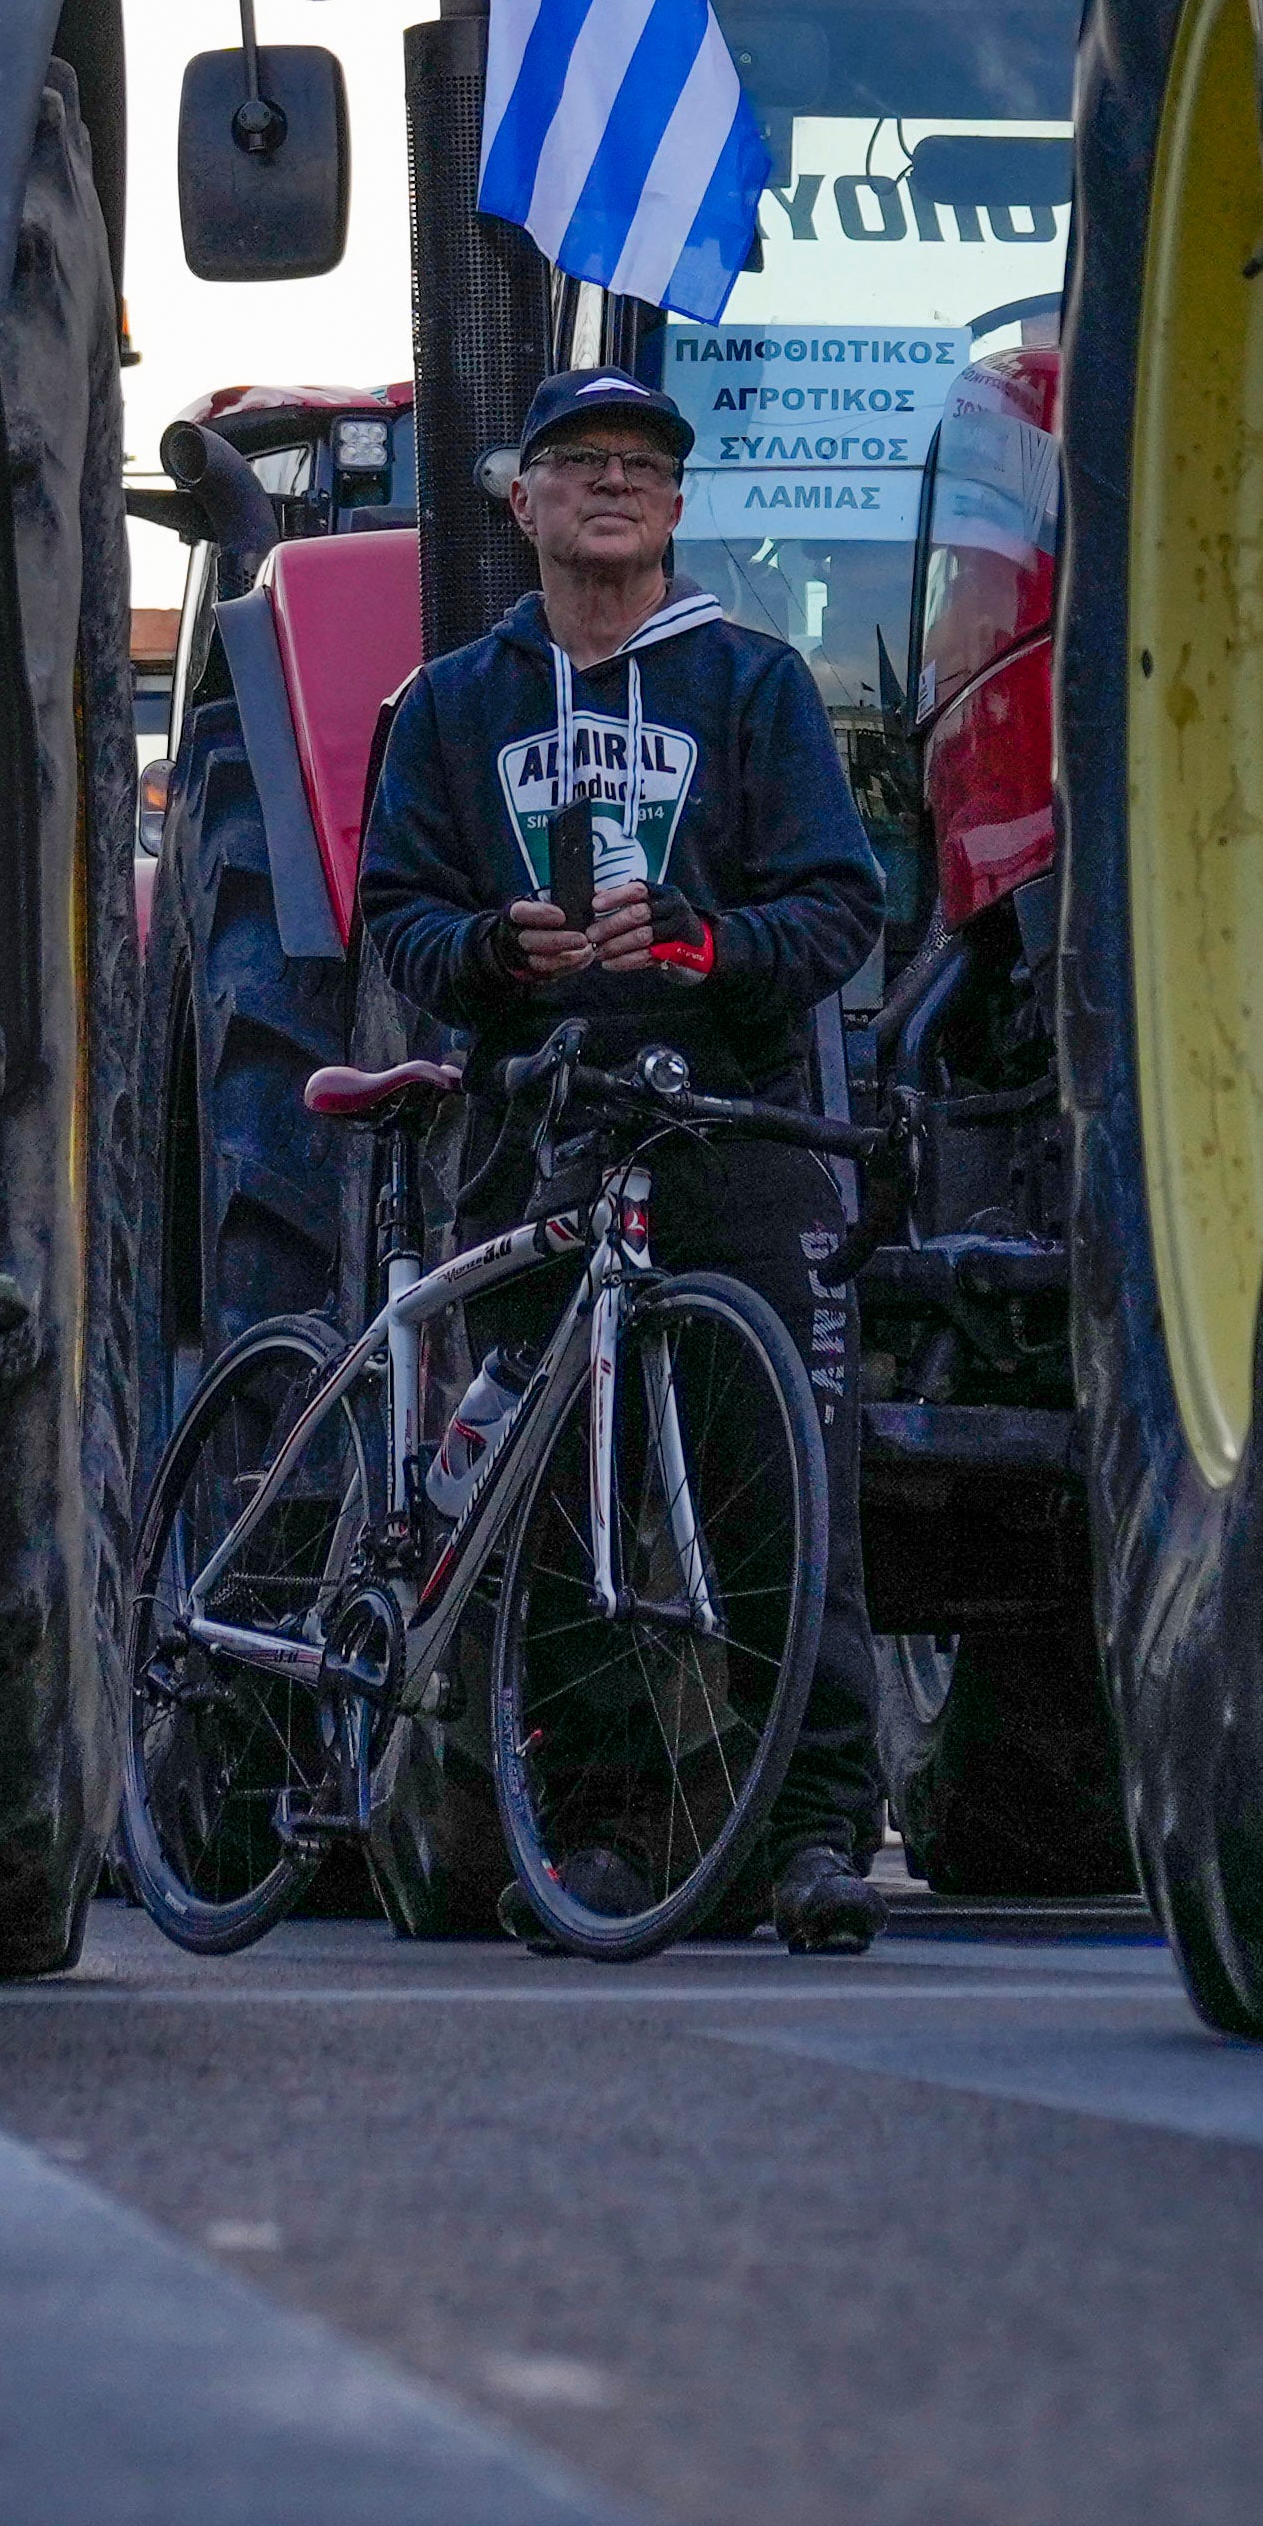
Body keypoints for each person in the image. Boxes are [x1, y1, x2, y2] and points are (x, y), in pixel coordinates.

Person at [346, 363, 898, 1951]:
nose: (613, 482)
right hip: (543, 1129)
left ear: (677, 506)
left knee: (780, 1486)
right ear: (518, 502)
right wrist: (490, 952)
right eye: (577, 459)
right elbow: (398, 908)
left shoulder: (756, 687)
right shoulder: (454, 703)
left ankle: (809, 1840)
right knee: (551, 1500)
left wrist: (707, 947)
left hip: (729, 1131)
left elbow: (840, 907)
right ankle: (590, 1829)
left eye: (644, 463)